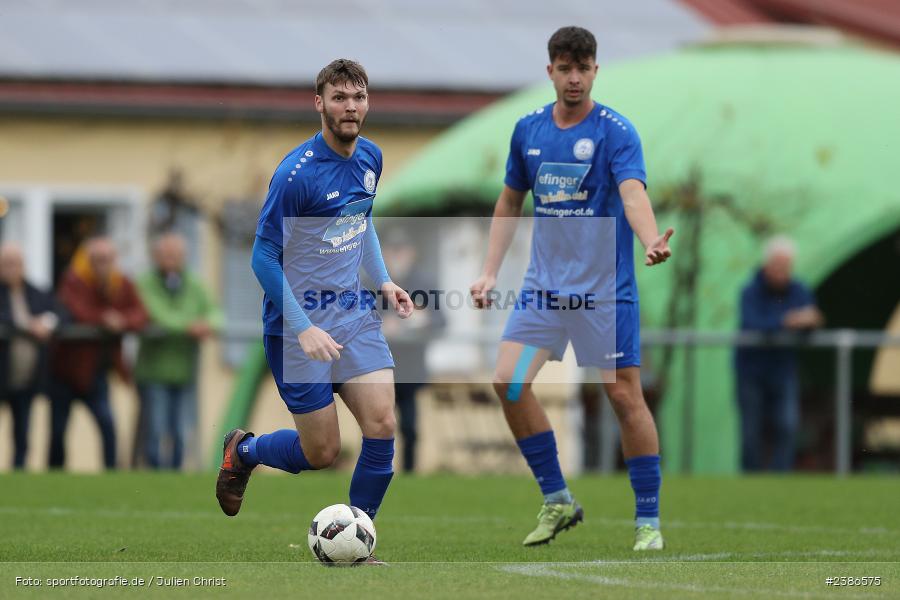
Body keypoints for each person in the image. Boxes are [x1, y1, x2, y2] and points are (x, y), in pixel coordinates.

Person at [469, 26, 674, 550]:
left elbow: (632, 194)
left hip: (605, 292)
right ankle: (557, 498)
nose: (575, 78)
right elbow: (510, 200)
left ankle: (647, 521)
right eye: (566, 68)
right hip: (544, 290)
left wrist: (650, 238)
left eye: (583, 68)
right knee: (508, 383)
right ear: (551, 71)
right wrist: (490, 270)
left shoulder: (616, 132)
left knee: (623, 396)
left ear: (596, 71)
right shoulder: (528, 129)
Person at [215, 59, 412, 564]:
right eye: (340, 97)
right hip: (296, 326)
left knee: (384, 424)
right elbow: (262, 256)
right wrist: (302, 328)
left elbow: (360, 218)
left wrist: (384, 279)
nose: (351, 107)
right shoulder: (295, 174)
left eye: (359, 97)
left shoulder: (371, 156)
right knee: (321, 453)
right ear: (319, 103)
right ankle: (245, 452)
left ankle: (358, 544)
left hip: (353, 313)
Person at [49, 237, 148, 469]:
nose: (104, 264)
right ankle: (54, 474)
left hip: (96, 372)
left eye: (108, 259)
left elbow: (141, 314)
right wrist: (106, 319)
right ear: (89, 260)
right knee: (58, 430)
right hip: (65, 371)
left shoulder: (120, 282)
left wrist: (122, 320)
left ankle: (111, 473)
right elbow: (77, 310)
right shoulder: (74, 280)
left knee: (107, 425)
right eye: (98, 259)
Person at [735, 236, 823, 472]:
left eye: (787, 267)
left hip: (783, 371)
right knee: (751, 431)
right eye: (778, 267)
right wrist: (788, 320)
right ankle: (751, 478)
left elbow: (812, 319)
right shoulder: (750, 291)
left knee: (787, 425)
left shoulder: (798, 289)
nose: (782, 273)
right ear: (768, 264)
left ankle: (780, 476)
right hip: (751, 372)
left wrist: (809, 320)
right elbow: (753, 324)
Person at [136, 232, 223, 470]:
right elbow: (158, 314)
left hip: (184, 370)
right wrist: (190, 326)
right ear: (156, 256)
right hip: (154, 371)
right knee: (155, 430)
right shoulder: (145, 283)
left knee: (180, 430)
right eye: (166, 255)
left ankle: (174, 475)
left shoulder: (194, 282)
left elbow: (215, 313)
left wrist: (208, 324)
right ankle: (155, 474)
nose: (171, 260)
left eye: (176, 255)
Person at [379, 230, 445, 472]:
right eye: (392, 251)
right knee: (377, 427)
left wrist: (416, 320)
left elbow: (440, 320)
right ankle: (378, 472)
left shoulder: (423, 282)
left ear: (412, 253)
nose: (397, 256)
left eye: (402, 250)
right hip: (377, 365)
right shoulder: (370, 281)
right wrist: (382, 324)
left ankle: (408, 472)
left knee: (409, 427)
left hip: (410, 367)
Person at [0, 243, 63, 469]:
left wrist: (47, 322)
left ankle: (19, 474)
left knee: (22, 434)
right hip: (2, 375)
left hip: (28, 378)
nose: (11, 268)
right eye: (6, 263)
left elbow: (60, 313)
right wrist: (28, 325)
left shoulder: (37, 292)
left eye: (15, 263)